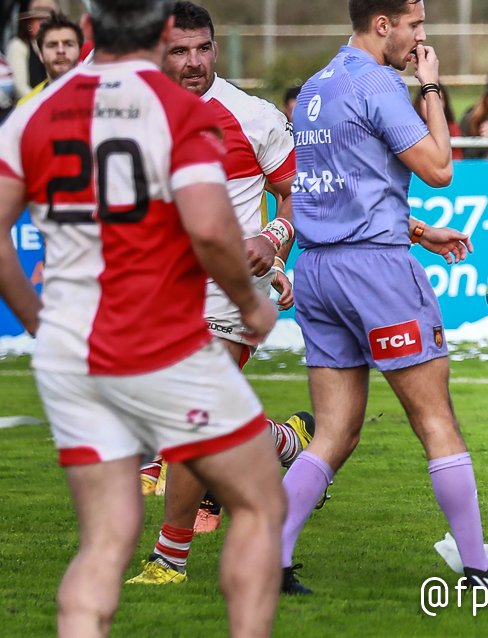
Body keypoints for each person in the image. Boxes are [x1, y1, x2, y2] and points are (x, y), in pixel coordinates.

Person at [0, 0, 285, 635]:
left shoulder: (36, 112)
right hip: (164, 339)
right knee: (261, 503)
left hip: (72, 350)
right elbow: (212, 231)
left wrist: (38, 323)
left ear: (91, 32)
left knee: (103, 543)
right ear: (160, 34)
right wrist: (250, 304)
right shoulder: (179, 112)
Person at [283, 0, 488, 594]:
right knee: (436, 421)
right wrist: (431, 86)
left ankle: (272, 560)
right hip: (376, 272)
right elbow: (441, 167)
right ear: (382, 24)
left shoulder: (318, 86)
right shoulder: (380, 84)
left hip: (318, 270)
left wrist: (418, 230)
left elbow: (342, 185)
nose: (421, 38)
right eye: (414, 26)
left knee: (333, 433)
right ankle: (477, 572)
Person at [125, 1, 314, 584]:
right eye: (179, 50)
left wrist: (274, 240)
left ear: (216, 47)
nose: (193, 62)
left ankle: (169, 558)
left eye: (203, 48)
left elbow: (298, 197)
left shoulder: (252, 116)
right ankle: (284, 440)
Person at [17, 11, 82, 106]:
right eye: (52, 45)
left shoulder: (98, 96)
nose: (61, 50)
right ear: (40, 55)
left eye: (68, 44)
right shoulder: (26, 106)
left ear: (80, 51)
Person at [6, 0, 56, 99]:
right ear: (29, 24)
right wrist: (40, 102)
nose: (44, 24)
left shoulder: (57, 46)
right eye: (39, 20)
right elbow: (20, 88)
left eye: (47, 20)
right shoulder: (18, 45)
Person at [414, 82, 463, 159]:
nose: (432, 104)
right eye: (426, 98)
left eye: (438, 99)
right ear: (419, 102)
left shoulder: (454, 129)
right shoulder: (410, 130)